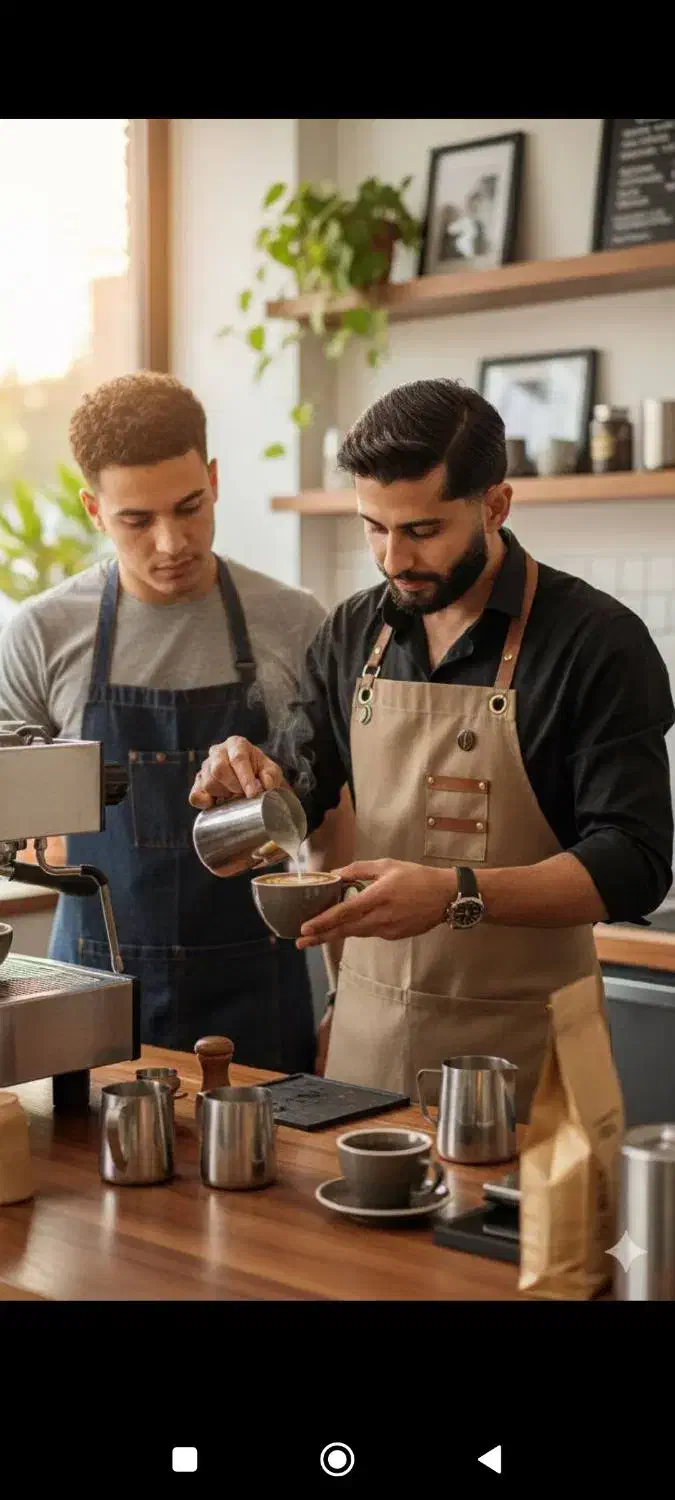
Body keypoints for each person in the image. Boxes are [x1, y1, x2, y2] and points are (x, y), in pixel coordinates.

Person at [189, 377, 675, 1120]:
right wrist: (249, 777)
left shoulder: (594, 642)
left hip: (529, 1051)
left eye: (421, 530)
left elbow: (634, 863)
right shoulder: (355, 632)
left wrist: (457, 893)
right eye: (373, 527)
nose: (391, 558)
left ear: (495, 505)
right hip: (368, 1046)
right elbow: (303, 783)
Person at [0, 371, 352, 1068]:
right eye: (137, 520)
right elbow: (13, 827)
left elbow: (337, 826)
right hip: (91, 991)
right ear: (94, 510)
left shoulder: (294, 621)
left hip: (259, 990)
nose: (172, 542)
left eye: (190, 507)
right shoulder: (41, 634)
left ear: (215, 478)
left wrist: (346, 998)